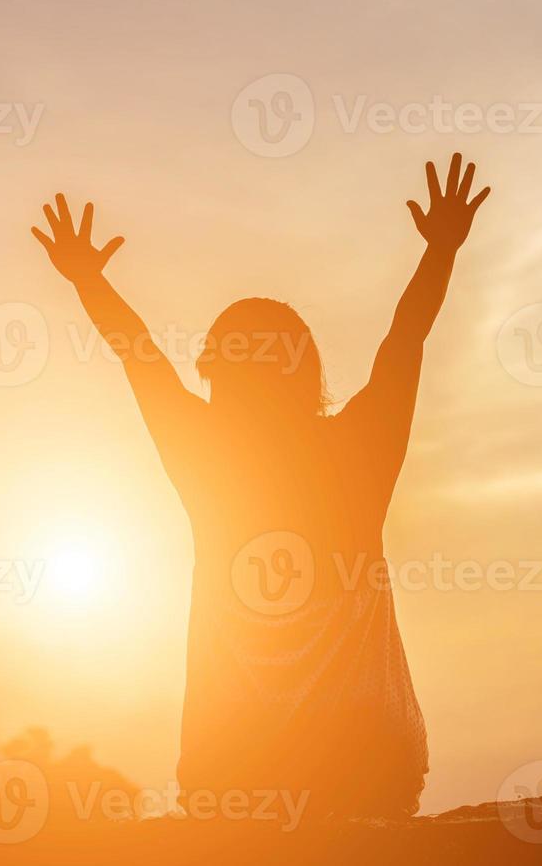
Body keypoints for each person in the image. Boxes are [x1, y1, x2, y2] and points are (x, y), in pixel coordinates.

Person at [31, 153, 491, 819]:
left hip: (244, 763)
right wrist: (440, 253)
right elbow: (405, 341)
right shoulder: (356, 450)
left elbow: (139, 353)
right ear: (308, 375)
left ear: (217, 379)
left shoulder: (206, 458)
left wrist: (88, 283)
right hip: (354, 757)